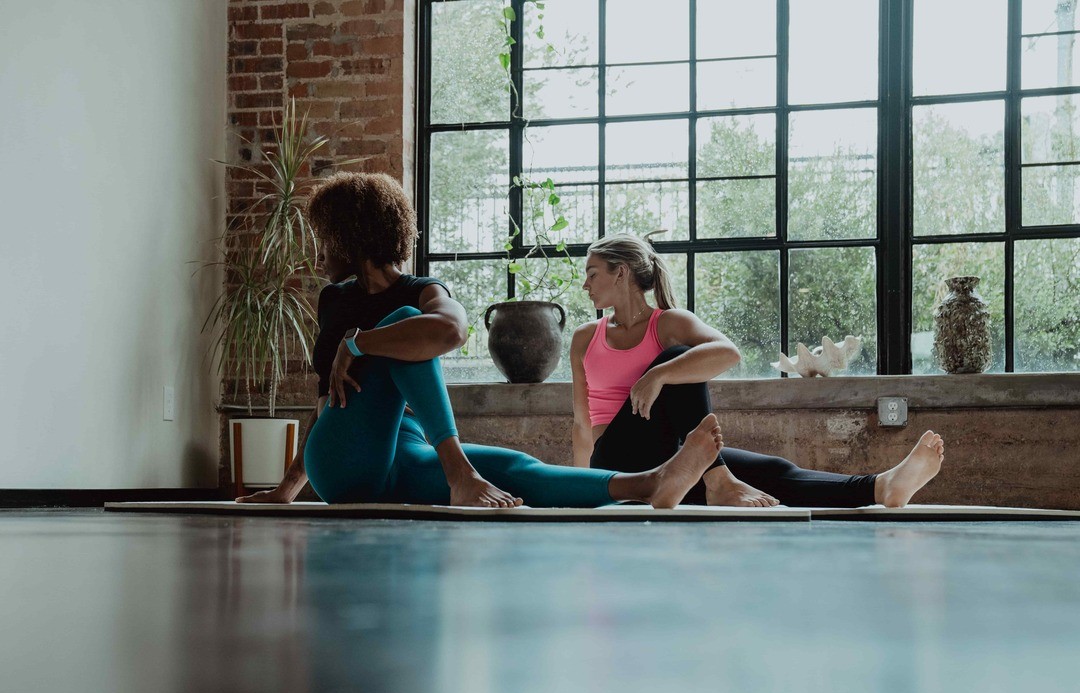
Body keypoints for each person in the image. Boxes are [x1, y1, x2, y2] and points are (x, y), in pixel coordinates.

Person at [237, 173, 723, 509]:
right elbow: (326, 403)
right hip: (344, 460)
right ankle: (459, 474)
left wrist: (361, 342)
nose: (319, 250)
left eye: (325, 237)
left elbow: (451, 331)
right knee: (408, 325)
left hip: (404, 458)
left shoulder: (423, 291)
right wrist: (286, 488)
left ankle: (653, 482)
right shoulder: (334, 299)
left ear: (350, 238)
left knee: (516, 468)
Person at [569, 232, 945, 508]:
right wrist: (582, 491)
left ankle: (881, 487)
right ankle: (717, 478)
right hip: (616, 462)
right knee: (679, 356)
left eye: (593, 274)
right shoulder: (586, 338)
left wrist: (657, 375)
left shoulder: (668, 324)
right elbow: (582, 424)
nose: (585, 285)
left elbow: (727, 353)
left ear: (621, 273)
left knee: (771, 471)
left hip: (672, 459)